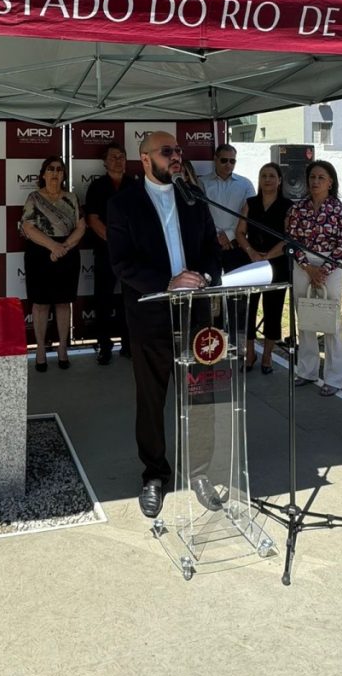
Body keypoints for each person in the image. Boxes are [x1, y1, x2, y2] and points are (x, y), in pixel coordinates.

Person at [108, 131, 222, 519]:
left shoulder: (193, 198)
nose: (176, 156)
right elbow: (122, 263)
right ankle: (155, 475)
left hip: (196, 314)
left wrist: (204, 276)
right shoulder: (123, 204)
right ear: (145, 159)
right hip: (151, 315)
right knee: (152, 398)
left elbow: (211, 249)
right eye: (167, 151)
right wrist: (167, 282)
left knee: (201, 395)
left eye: (178, 151)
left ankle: (201, 472)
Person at [286, 160, 342, 396]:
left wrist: (323, 269)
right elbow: (291, 239)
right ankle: (307, 371)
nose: (315, 182)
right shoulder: (297, 209)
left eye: (321, 177)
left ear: (330, 182)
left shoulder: (340, 210)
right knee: (305, 318)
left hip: (330, 268)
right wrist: (307, 268)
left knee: (331, 322)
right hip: (302, 266)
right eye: (312, 177)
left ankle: (334, 378)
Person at [21, 156, 86, 372]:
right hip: (39, 254)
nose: (55, 173)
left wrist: (64, 247)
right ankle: (40, 349)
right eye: (51, 169)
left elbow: (81, 227)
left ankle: (62, 348)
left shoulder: (72, 198)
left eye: (59, 169)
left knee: (62, 302)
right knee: (40, 304)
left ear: (64, 175)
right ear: (43, 174)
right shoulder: (33, 197)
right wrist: (52, 247)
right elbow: (28, 228)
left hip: (66, 253)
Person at [236, 163, 290, 375]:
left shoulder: (288, 205)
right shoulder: (250, 203)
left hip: (277, 263)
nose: (267, 179)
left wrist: (269, 255)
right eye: (263, 176)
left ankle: (267, 356)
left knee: (273, 310)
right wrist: (252, 252)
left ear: (279, 180)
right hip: (252, 262)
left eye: (271, 176)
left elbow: (289, 236)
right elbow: (240, 232)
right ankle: (250, 354)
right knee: (249, 309)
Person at [84, 143, 134, 365]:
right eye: (113, 157)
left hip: (131, 254)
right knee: (102, 300)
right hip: (105, 252)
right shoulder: (97, 186)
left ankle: (128, 344)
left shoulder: (135, 185)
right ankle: (104, 346)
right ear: (104, 162)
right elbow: (93, 220)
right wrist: (115, 242)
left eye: (122, 156)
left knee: (130, 300)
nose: (118, 160)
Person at [200, 144, 255, 272]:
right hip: (210, 245)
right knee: (211, 287)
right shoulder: (202, 182)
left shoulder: (245, 184)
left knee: (237, 289)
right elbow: (201, 215)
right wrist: (218, 236)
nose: (228, 164)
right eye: (224, 160)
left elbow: (249, 215)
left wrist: (229, 235)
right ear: (215, 159)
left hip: (236, 245)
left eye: (232, 161)